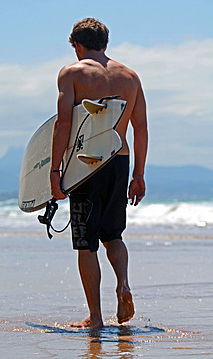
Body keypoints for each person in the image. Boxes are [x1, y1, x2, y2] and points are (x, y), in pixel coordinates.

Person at [50, 18, 148, 329]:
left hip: (85, 164)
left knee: (86, 243)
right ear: (105, 44)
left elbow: (63, 123)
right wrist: (139, 175)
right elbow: (141, 127)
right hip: (120, 161)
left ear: (77, 45)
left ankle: (95, 317)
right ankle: (123, 285)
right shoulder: (130, 76)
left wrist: (54, 171)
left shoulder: (72, 73)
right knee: (114, 235)